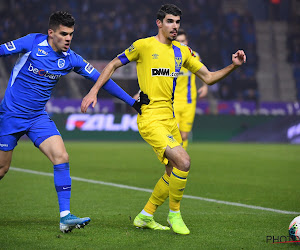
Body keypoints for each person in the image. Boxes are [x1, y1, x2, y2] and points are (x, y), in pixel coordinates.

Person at [81, 4, 246, 235]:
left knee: (172, 171)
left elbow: (208, 77)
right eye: (170, 21)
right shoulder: (143, 46)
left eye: (178, 22)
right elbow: (113, 65)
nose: (175, 26)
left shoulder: (182, 52)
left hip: (169, 118)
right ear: (159, 23)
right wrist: (93, 91)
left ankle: (145, 215)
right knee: (184, 162)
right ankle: (174, 214)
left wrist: (233, 66)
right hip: (149, 117)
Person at [0, 11, 148, 233]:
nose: (68, 38)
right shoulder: (33, 42)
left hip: (37, 117)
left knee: (62, 156)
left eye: (71, 34)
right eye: (63, 34)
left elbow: (102, 79)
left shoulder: (72, 59)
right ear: (51, 33)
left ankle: (65, 217)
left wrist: (132, 102)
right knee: (2, 169)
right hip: (11, 115)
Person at [174, 28, 208, 150]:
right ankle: (171, 165)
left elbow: (203, 72)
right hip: (172, 102)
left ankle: (180, 163)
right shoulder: (168, 56)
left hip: (189, 101)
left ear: (187, 41)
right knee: (173, 135)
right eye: (178, 41)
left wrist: (204, 86)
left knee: (184, 135)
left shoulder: (195, 56)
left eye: (183, 40)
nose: (181, 43)